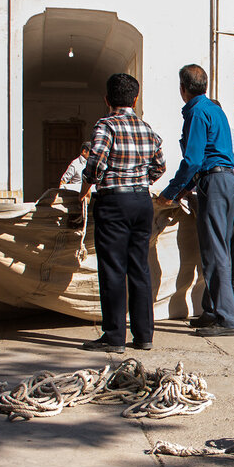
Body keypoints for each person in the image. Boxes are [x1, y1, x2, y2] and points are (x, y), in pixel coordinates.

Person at [77, 73, 165, 353]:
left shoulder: (106, 126)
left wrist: (89, 185)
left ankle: (114, 336)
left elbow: (93, 165)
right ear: (135, 98)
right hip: (141, 201)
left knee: (113, 268)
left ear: (107, 99)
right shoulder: (148, 129)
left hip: (114, 201)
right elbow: (160, 166)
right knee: (139, 266)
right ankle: (144, 335)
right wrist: (141, 181)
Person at [156, 64, 234, 337]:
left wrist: (170, 192)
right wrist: (183, 189)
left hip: (214, 181)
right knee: (216, 249)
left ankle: (226, 319)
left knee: (215, 251)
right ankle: (213, 310)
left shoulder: (196, 111)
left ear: (183, 89)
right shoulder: (215, 109)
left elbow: (193, 160)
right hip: (224, 179)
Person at [190, 103, 234, 328]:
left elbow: (195, 161)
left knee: (218, 253)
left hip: (219, 193)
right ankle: (232, 309)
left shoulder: (213, 138)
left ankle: (219, 311)